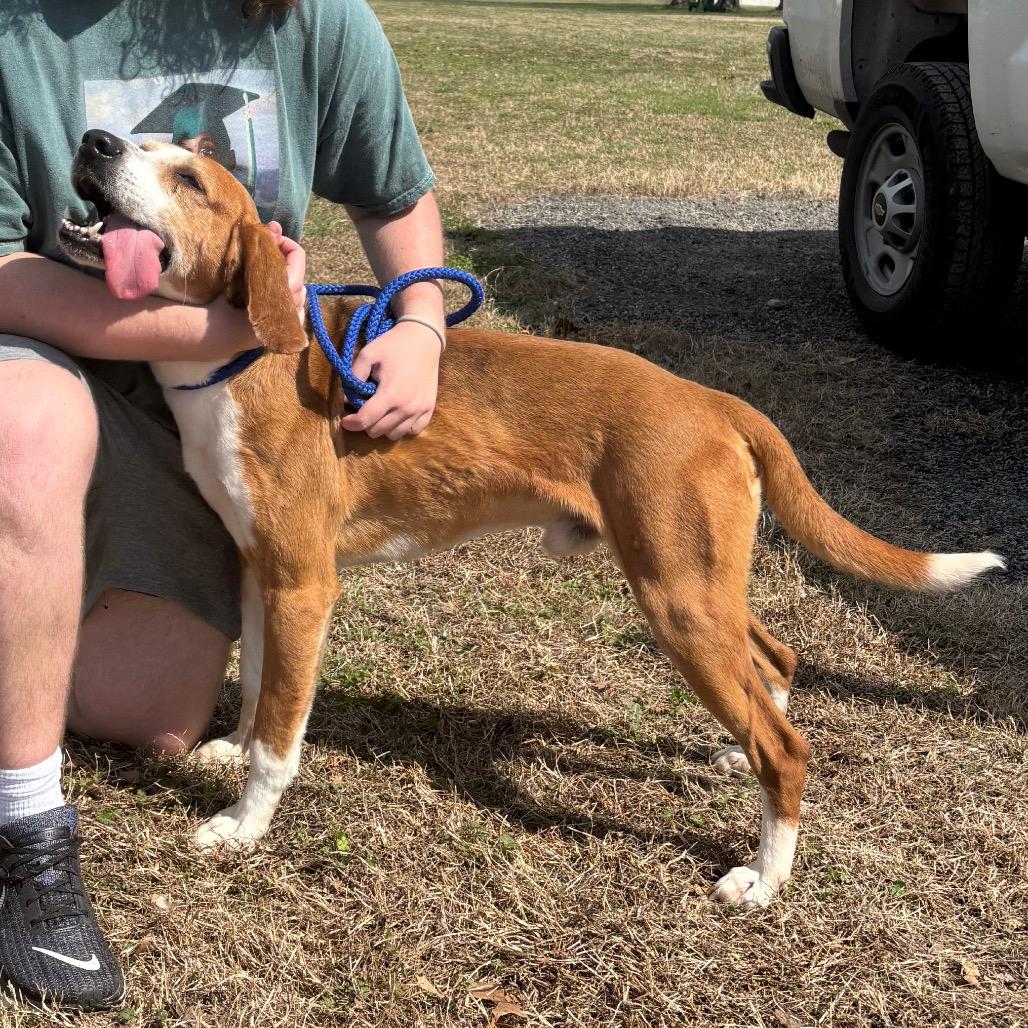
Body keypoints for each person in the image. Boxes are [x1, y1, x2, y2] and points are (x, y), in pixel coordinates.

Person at [0, 0, 446, 1010]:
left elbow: (395, 194)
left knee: (154, 720)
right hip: (58, 375)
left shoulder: (317, 19)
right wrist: (235, 327)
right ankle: (24, 829)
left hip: (216, 413)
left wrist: (422, 321)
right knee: (23, 425)